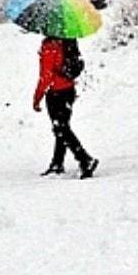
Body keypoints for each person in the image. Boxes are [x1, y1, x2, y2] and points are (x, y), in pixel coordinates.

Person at [33, 36, 98, 179]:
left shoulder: (50, 46)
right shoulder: (68, 41)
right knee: (62, 128)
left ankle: (84, 159)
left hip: (56, 93)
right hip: (69, 90)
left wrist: (37, 98)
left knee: (61, 128)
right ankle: (57, 163)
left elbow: (46, 75)